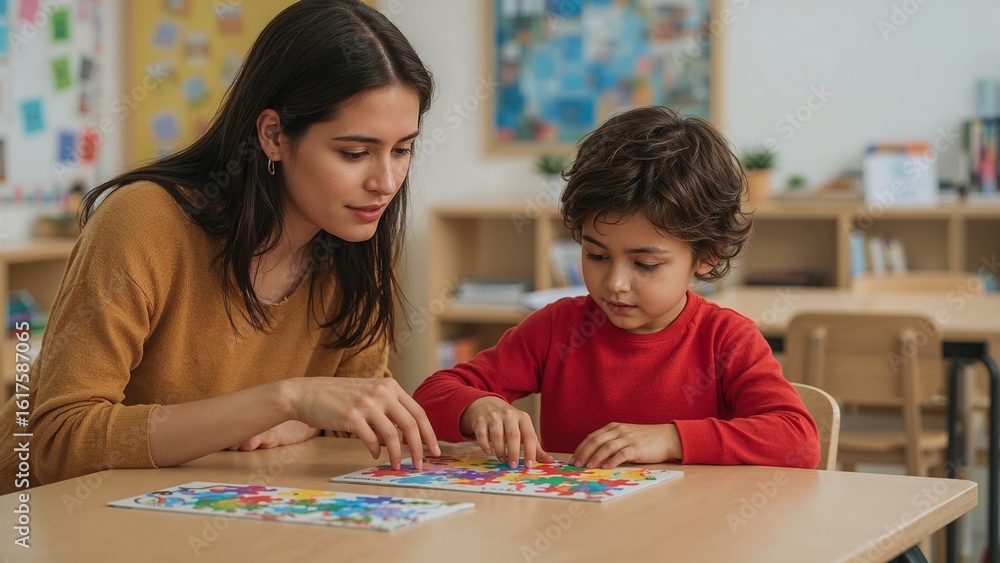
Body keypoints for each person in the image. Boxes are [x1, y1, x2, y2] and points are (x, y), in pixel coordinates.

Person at [0, 0, 442, 494]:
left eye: (402, 149)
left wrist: (310, 418)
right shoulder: (144, 222)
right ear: (273, 135)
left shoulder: (352, 242)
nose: (386, 182)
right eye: (355, 153)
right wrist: (285, 400)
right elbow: (58, 443)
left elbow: (352, 416)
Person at [413, 106, 820, 471]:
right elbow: (431, 396)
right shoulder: (558, 329)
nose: (614, 284)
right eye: (596, 256)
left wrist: (671, 438)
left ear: (707, 256)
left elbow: (797, 439)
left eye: (645, 264)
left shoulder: (725, 339)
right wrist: (477, 408)